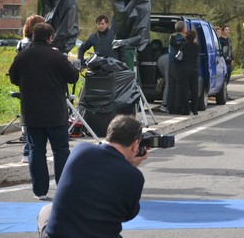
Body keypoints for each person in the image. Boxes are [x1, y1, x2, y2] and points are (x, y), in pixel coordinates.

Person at [38, 115, 148, 238]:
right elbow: (127, 215)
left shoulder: (80, 150)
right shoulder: (134, 176)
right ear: (135, 144)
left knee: (46, 210)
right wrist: (130, 167)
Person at [9, 22, 80, 199]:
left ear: (33, 36)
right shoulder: (56, 57)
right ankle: (63, 188)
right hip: (56, 113)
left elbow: (13, 78)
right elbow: (72, 77)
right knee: (61, 150)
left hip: (32, 113)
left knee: (36, 150)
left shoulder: (22, 56)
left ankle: (40, 191)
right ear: (50, 38)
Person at [16, 14, 45, 164]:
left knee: (28, 119)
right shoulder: (38, 45)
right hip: (41, 86)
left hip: (26, 87)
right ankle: (30, 149)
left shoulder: (21, 44)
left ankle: (27, 151)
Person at [178, 30, 200, 115]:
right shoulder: (197, 47)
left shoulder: (183, 46)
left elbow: (179, 56)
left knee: (184, 90)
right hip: (194, 70)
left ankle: (186, 110)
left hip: (184, 69)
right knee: (194, 90)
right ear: (194, 38)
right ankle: (194, 109)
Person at [167, 20, 187, 114]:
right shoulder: (182, 38)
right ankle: (177, 108)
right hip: (178, 64)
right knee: (179, 87)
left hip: (170, 63)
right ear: (183, 29)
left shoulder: (171, 37)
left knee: (171, 87)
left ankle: (169, 107)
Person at [219, 26, 234, 100]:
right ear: (222, 31)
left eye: (228, 29)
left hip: (229, 61)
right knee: (224, 77)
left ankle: (225, 92)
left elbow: (230, 50)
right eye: (226, 29)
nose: (227, 31)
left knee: (228, 78)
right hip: (223, 61)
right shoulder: (220, 41)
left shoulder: (228, 40)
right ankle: (224, 93)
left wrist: (232, 58)